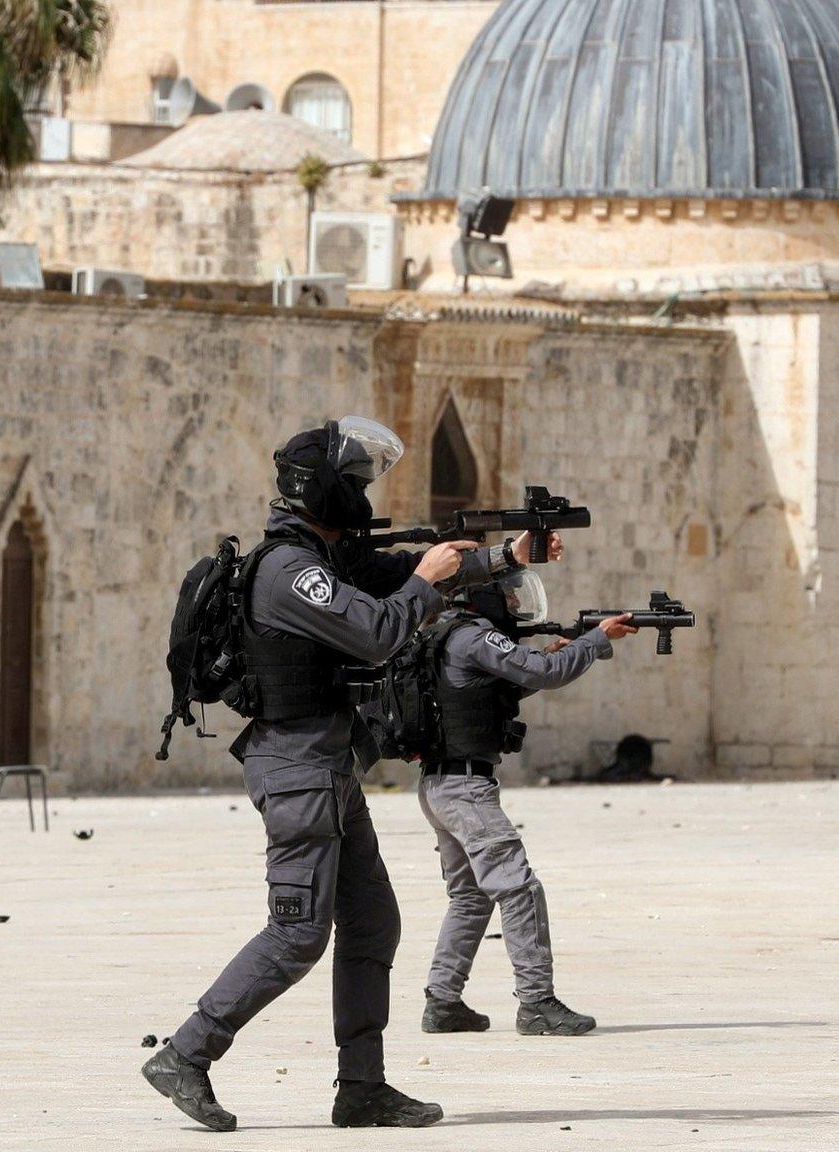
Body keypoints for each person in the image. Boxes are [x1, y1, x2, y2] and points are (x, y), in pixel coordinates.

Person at [142, 417, 555, 1132]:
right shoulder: (288, 571)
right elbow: (378, 628)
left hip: (326, 765)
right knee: (297, 932)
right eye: (357, 483)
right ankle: (186, 1053)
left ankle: (362, 1087)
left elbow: (392, 577)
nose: (364, 495)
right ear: (324, 489)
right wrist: (428, 581)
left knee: (373, 925)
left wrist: (506, 557)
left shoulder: (323, 558)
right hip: (297, 770)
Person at [413, 569, 635, 1038]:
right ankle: (536, 1003)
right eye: (506, 596)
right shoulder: (474, 636)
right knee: (518, 889)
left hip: (441, 785)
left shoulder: (443, 636)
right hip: (465, 789)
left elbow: (499, 689)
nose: (513, 605)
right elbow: (544, 673)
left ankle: (443, 1001)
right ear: (483, 598)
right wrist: (594, 640)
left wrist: (562, 650)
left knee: (471, 896)